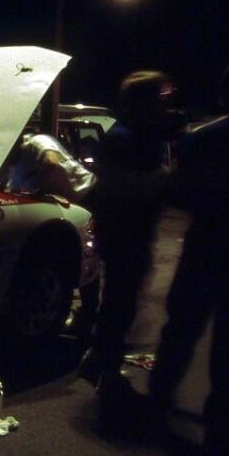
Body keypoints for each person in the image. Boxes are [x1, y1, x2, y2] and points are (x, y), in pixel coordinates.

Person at [147, 63, 229, 456]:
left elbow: (178, 194)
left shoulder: (202, 141)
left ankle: (157, 407)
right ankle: (218, 428)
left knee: (180, 332)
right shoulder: (204, 140)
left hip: (205, 249)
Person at [84, 71, 178, 427]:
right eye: (158, 96)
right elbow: (120, 185)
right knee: (120, 302)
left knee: (119, 300)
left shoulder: (137, 134)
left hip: (130, 230)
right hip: (125, 232)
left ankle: (99, 361)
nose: (163, 103)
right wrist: (165, 181)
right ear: (140, 101)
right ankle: (107, 373)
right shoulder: (125, 138)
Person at [8, 133, 100, 335]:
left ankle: (89, 314)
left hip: (85, 193)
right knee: (77, 255)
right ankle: (87, 312)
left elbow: (51, 161)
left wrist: (38, 191)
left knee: (87, 254)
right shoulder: (17, 167)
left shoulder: (37, 142)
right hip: (66, 204)